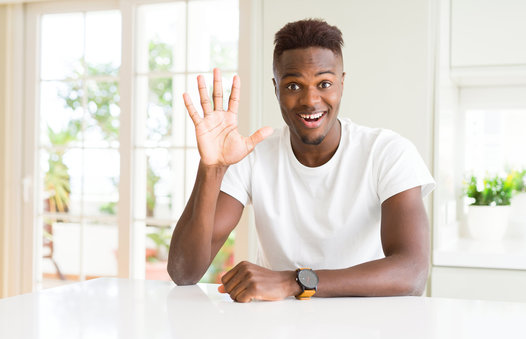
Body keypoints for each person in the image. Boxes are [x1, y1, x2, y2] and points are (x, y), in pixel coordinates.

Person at [167, 19, 435, 302]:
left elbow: (412, 272)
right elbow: (184, 272)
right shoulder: (253, 157)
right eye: (294, 85)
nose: (310, 100)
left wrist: (295, 281)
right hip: (279, 331)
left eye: (324, 83)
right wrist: (212, 169)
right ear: (276, 88)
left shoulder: (387, 152)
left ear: (342, 83)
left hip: (366, 329)